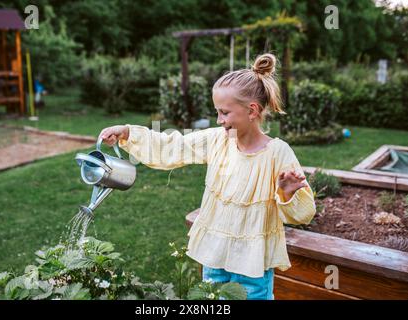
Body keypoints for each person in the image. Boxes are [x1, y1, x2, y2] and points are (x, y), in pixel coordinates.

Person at [98, 53, 316, 300]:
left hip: (252, 263)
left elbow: (303, 213)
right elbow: (172, 146)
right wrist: (128, 132)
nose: (218, 120)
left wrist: (286, 193)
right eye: (217, 112)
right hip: (215, 253)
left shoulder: (278, 153)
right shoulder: (217, 140)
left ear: (252, 110)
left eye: (224, 113)